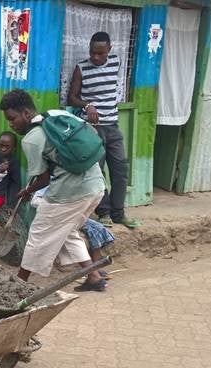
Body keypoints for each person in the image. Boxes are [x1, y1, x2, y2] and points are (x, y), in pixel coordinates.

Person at [0, 89, 106, 292]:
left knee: (38, 234)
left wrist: (27, 190)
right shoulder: (59, 114)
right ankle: (93, 276)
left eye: (12, 118)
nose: (11, 124)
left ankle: (18, 285)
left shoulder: (31, 139)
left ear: (26, 114)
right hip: (96, 185)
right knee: (67, 229)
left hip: (68, 194)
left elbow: (43, 178)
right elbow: (91, 135)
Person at [67, 31, 139, 229]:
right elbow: (71, 97)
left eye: (100, 53)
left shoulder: (116, 62)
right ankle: (104, 212)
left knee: (120, 170)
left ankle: (119, 213)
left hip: (112, 127)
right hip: (92, 130)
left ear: (110, 50)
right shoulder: (81, 68)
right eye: (93, 53)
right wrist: (87, 105)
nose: (96, 57)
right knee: (97, 172)